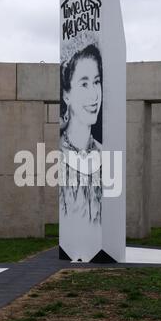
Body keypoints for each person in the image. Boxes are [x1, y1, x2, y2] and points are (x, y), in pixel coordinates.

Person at [59, 43, 103, 226]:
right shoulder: (58, 154)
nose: (94, 95)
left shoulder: (104, 153)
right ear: (66, 95)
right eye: (84, 84)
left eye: (96, 82)